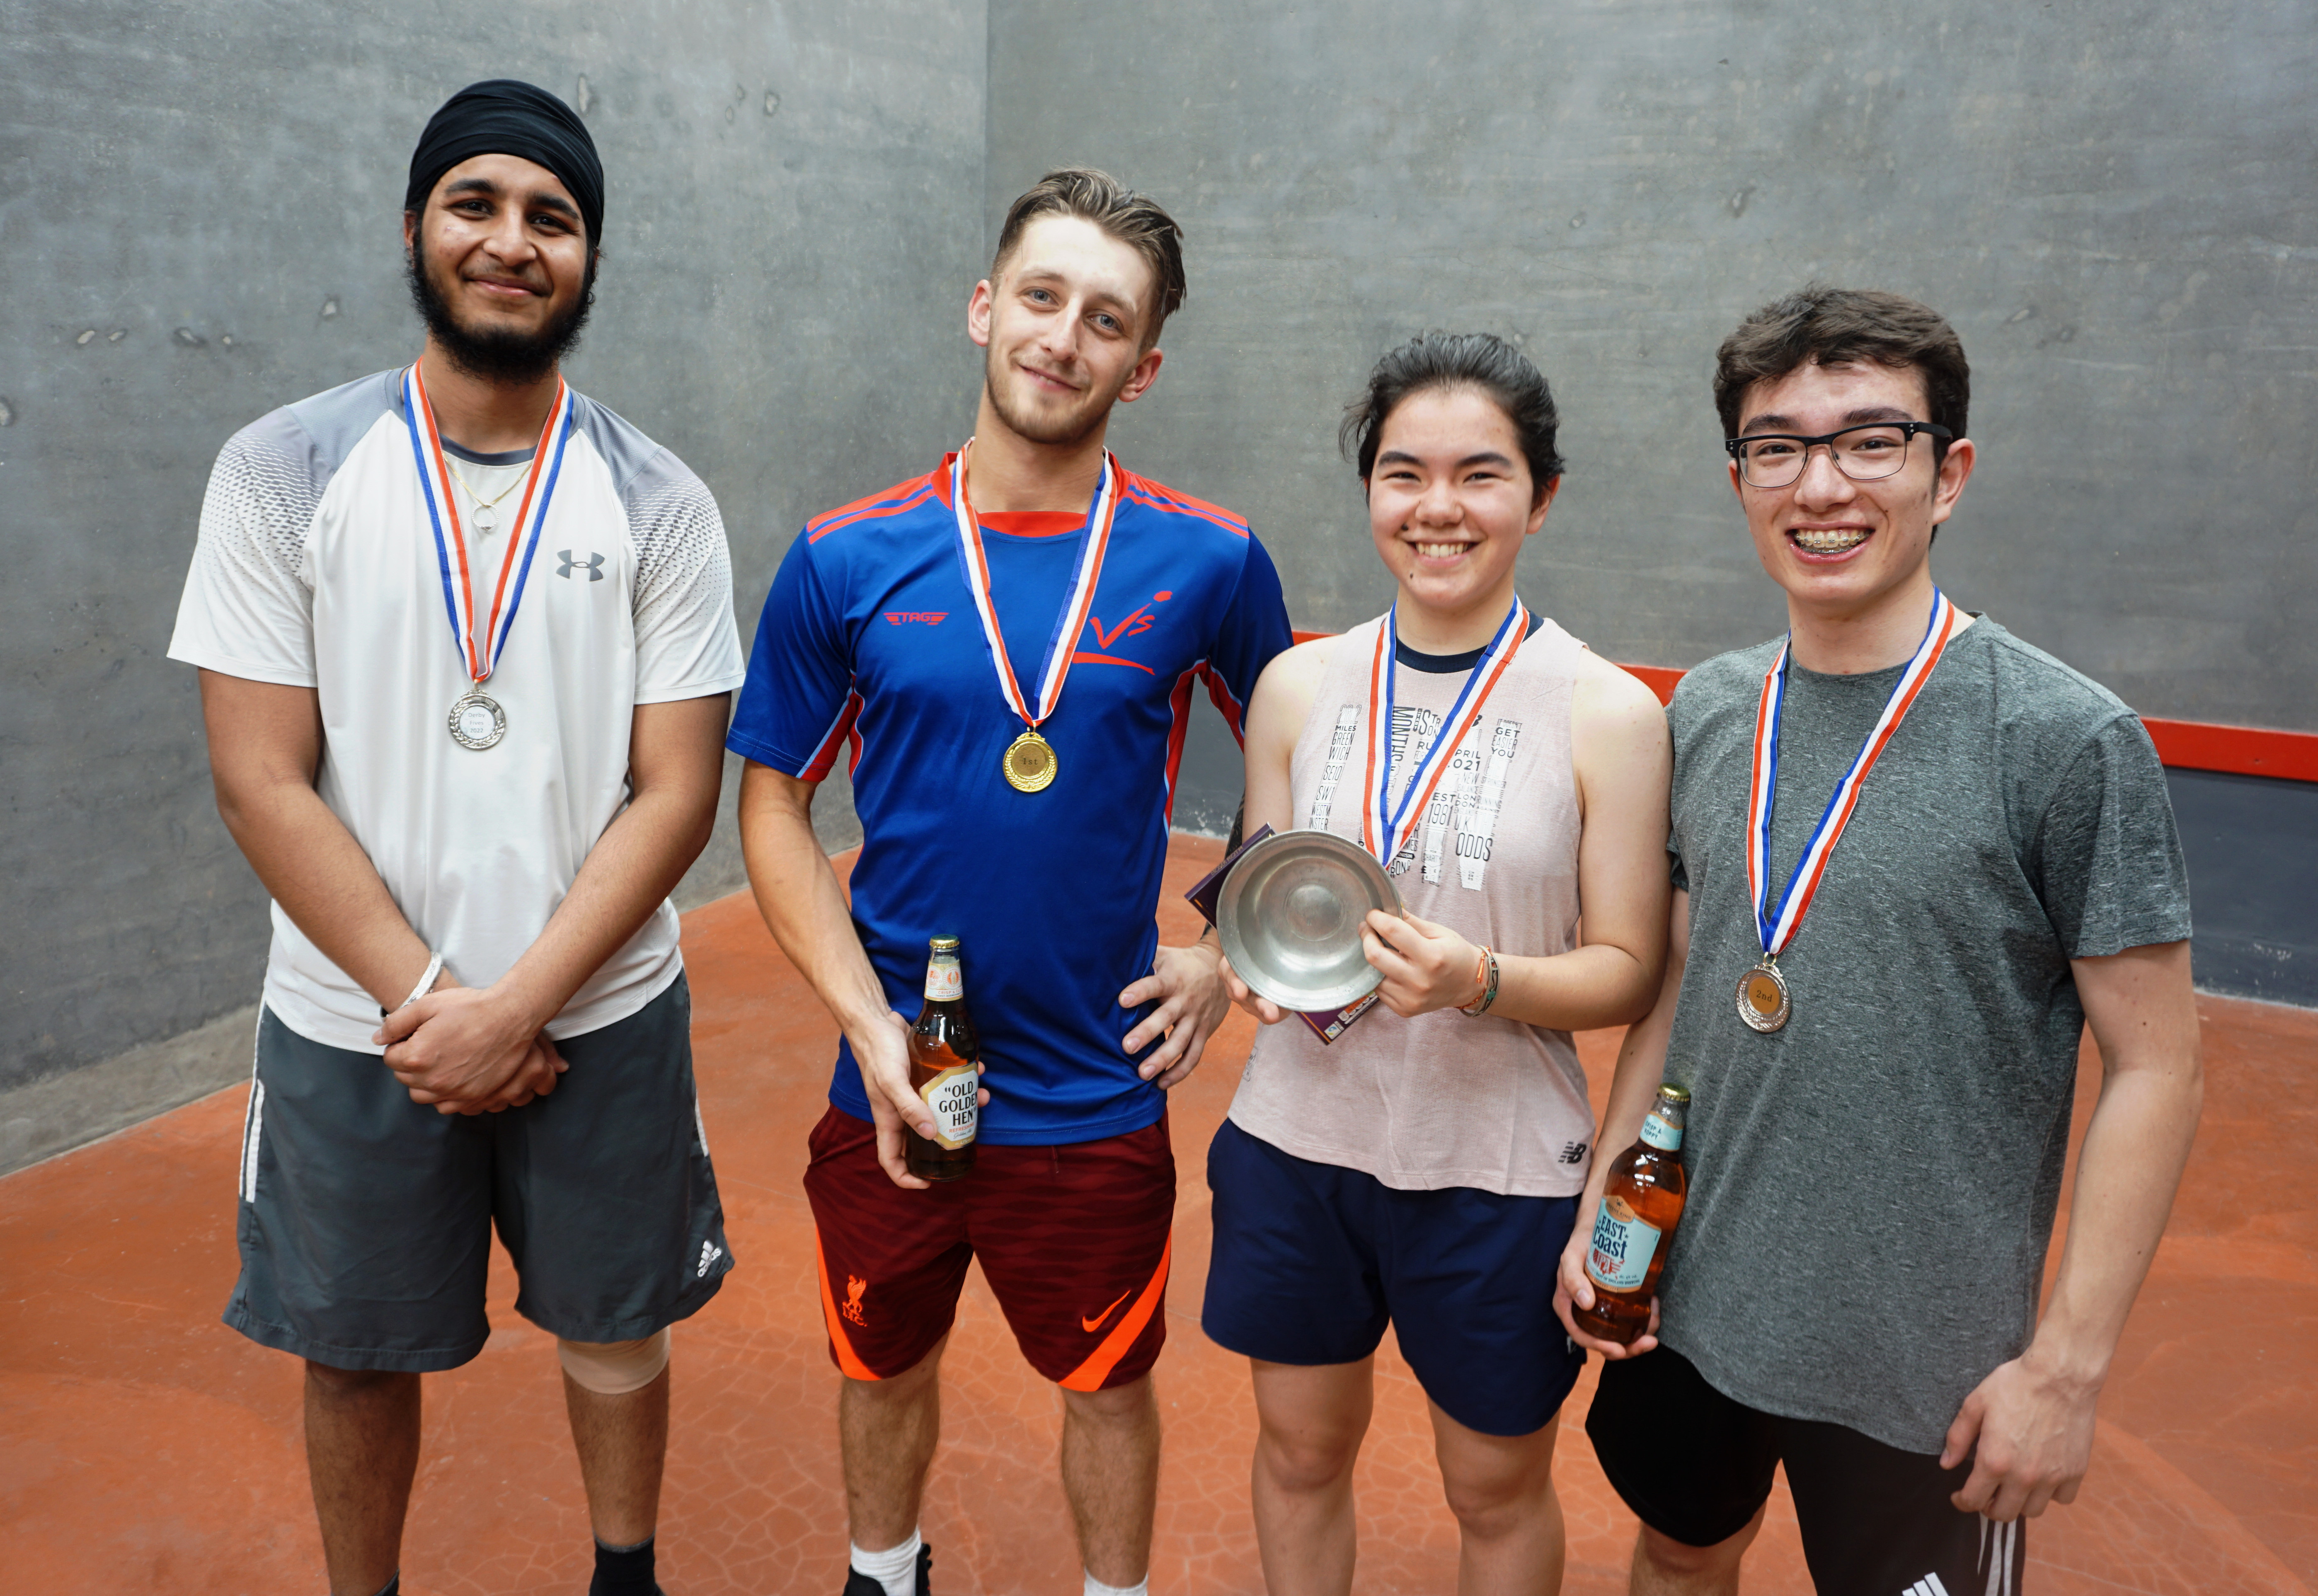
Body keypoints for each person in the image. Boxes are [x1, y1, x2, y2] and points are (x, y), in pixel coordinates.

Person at [167, 80, 741, 1596]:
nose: (511, 241)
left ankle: (627, 1577)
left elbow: (677, 790)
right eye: (474, 204)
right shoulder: (281, 468)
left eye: (552, 217)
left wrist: (520, 1004)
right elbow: (259, 776)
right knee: (354, 1350)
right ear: (416, 226)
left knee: (618, 1321)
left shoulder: (662, 500)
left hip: (597, 1011)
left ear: (589, 257)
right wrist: (436, 1003)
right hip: (359, 1020)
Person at [1561, 287, 2202, 1596]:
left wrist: (2066, 1368)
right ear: (1740, 481)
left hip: (1924, 1359)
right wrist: (1602, 1205)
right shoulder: (1710, 710)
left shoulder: (2066, 739)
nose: (1822, 486)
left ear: (1947, 473)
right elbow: (1678, 987)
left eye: (1870, 440)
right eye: (1778, 447)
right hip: (1692, 1298)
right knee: (1680, 1549)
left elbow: (2159, 1068)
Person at [729, 168, 1292, 1596]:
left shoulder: (1213, 558)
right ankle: (883, 1574)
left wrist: (1227, 951)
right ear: (985, 308)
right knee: (881, 1363)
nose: (1063, 336)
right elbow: (772, 802)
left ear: (1142, 366)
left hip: (1096, 1084)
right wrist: (866, 1029)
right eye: (1042, 296)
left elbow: (1305, 760)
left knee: (1106, 1386)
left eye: (1106, 318)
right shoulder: (843, 555)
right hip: (893, 1078)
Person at [1206, 333, 1674, 1595]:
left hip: (1494, 1165)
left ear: (1542, 496)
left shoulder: (1609, 712)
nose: (1438, 508)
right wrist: (1246, 967)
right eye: (1404, 473)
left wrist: (1482, 980)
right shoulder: (1298, 685)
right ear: (1370, 490)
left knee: (1493, 1490)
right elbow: (1260, 891)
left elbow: (1630, 969)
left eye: (1480, 474)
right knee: (1300, 1453)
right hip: (1297, 1143)